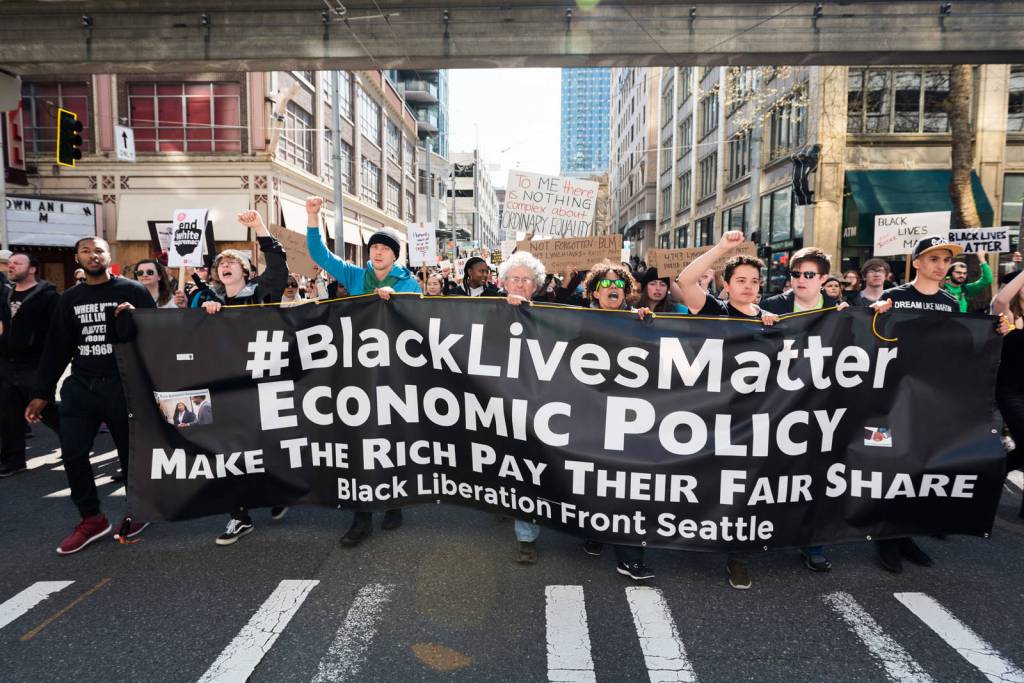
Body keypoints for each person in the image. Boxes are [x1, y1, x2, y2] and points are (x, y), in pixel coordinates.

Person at [870, 235, 1010, 570]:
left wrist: (996, 332)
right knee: (891, 468)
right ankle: (885, 539)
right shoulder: (894, 297)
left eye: (945, 260)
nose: (941, 265)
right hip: (892, 399)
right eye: (933, 259)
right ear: (916, 262)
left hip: (930, 400)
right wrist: (873, 315)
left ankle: (906, 535)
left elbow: (962, 347)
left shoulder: (949, 303)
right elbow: (870, 339)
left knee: (919, 468)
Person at [25, 236, 156, 554]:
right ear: (77, 259)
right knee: (72, 453)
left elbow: (157, 335)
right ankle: (92, 519)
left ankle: (138, 510)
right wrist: (41, 393)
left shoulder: (132, 290)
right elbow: (57, 348)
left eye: (98, 250)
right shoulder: (69, 299)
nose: (92, 255)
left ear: (108, 257)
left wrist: (135, 318)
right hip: (81, 386)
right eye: (86, 251)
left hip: (122, 385)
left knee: (130, 455)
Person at [305, 195, 419, 546]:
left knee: (392, 437)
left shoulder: (408, 282)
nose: (377, 252)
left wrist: (396, 300)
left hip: (396, 374)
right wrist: (312, 216)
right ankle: (361, 515)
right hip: (357, 371)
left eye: (385, 248)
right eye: (373, 247)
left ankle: (395, 501)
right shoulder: (356, 275)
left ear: (395, 255)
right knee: (359, 440)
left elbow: (418, 320)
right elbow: (320, 256)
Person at [190, 210, 290, 544]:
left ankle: (274, 492)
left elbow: (277, 265)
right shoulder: (210, 302)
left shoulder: (263, 292)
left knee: (262, 446)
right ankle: (239, 515)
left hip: (262, 383)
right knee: (229, 451)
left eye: (233, 262)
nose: (226, 266)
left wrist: (259, 226)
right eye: (221, 264)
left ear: (246, 272)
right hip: (225, 387)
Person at [677, 231, 768, 589]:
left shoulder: (773, 319)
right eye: (740, 281)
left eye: (754, 282)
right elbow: (685, 281)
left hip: (756, 420)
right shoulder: (716, 311)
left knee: (744, 489)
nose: (748, 287)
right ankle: (693, 533)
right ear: (726, 286)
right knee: (705, 482)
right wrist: (724, 248)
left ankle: (737, 556)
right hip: (712, 418)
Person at [759, 247, 848, 573]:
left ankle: (813, 543)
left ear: (824, 279)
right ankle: (763, 532)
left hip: (820, 408)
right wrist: (760, 323)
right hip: (777, 405)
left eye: (808, 275)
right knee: (772, 472)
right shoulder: (772, 306)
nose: (800, 280)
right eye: (795, 274)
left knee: (815, 476)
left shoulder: (840, 311)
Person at [576, 260, 655, 581]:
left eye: (620, 285)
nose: (613, 289)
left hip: (629, 420)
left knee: (627, 486)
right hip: (591, 416)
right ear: (594, 291)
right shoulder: (574, 320)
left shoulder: (640, 321)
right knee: (594, 481)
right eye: (606, 284)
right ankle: (595, 531)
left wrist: (649, 326)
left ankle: (629, 557)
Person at [497, 251, 550, 564]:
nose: (519, 283)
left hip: (535, 405)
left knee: (525, 468)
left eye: (525, 280)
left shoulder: (550, 315)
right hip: (492, 403)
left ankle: (526, 535)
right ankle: (501, 502)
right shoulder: (484, 311)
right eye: (514, 279)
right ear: (504, 283)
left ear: (535, 286)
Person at [0, 253, 61, 478]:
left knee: (46, 410)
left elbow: (57, 333)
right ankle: (13, 461)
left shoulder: (49, 297)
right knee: (8, 414)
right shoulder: (6, 294)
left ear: (33, 269)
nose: (11, 266)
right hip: (7, 363)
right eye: (10, 263)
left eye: (17, 263)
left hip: (36, 364)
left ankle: (75, 443)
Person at [990, 259, 1024, 519]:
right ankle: (994, 474)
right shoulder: (1009, 317)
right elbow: (1001, 299)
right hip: (1011, 392)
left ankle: (993, 476)